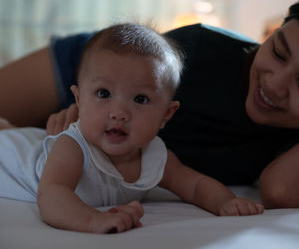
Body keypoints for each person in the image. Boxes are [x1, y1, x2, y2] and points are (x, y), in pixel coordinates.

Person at [0, 0, 299, 209]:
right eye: (277, 50)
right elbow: (111, 85)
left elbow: (283, 191)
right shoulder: (198, 52)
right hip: (88, 73)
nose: (275, 84)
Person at [0, 23, 264, 234]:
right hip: (10, 155)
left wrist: (226, 202)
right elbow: (52, 196)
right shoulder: (73, 147)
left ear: (166, 114)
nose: (119, 113)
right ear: (79, 100)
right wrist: (93, 220)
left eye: (140, 99)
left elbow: (195, 185)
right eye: (103, 93)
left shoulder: (155, 158)